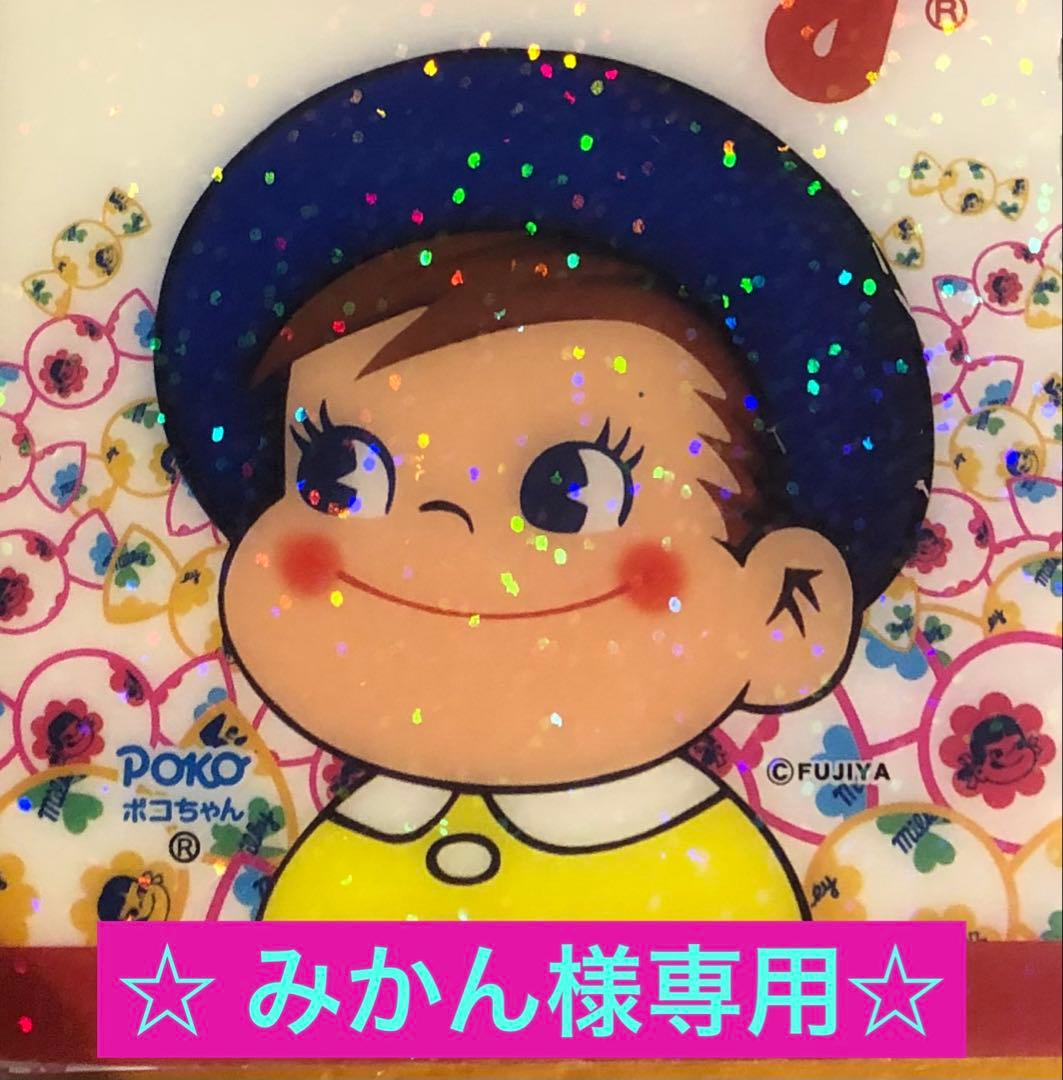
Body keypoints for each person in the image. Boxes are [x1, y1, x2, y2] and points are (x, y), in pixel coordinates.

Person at [154, 49, 931, 921]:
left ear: (784, 611)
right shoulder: (349, 847)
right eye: (340, 471)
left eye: (570, 493)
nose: (440, 529)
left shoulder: (707, 881)